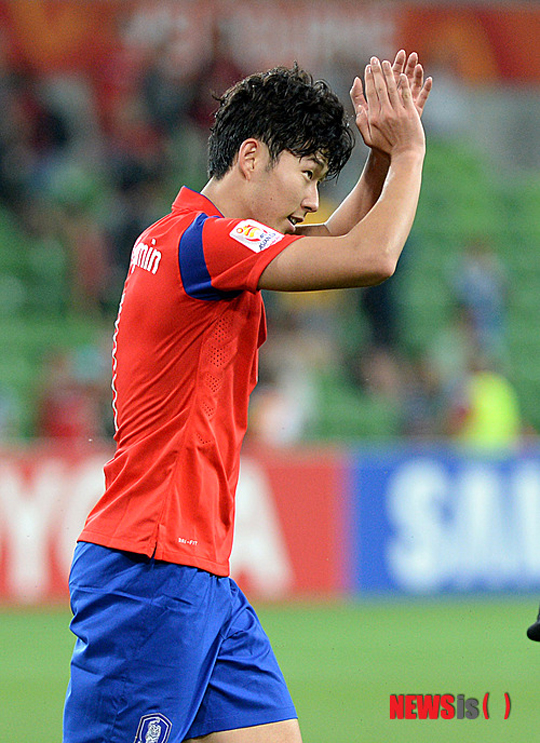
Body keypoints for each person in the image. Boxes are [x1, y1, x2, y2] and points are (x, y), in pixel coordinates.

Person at [63, 51, 432, 743]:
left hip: (197, 572)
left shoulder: (190, 241)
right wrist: (411, 153)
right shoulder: (206, 244)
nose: (313, 200)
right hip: (151, 570)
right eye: (308, 175)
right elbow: (371, 255)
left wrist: (380, 158)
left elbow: (337, 238)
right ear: (252, 156)